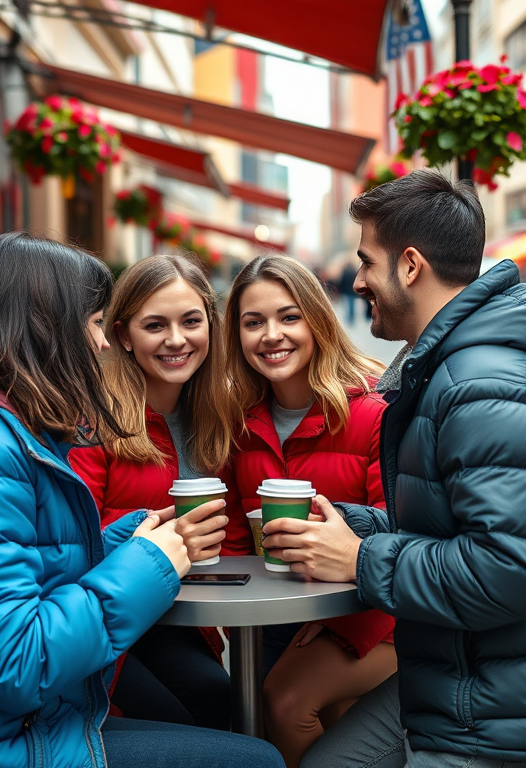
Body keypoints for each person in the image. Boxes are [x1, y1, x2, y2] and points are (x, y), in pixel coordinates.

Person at [0, 233, 284, 768]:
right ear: (45, 329)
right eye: (95, 323)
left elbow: (20, 569)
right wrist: (149, 564)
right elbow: (15, 665)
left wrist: (127, 536)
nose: (101, 344)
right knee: (255, 760)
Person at [263, 171, 526, 768]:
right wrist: (352, 526)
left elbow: (506, 572)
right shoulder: (459, 369)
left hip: (508, 704)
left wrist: (356, 558)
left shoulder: (483, 385)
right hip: (470, 668)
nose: (356, 282)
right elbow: (460, 530)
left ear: (410, 266)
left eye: (365, 262)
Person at [223, 254, 400, 768]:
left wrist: (344, 627)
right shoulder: (238, 422)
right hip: (275, 620)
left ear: (317, 322)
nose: (271, 335)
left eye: (288, 316)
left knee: (286, 702)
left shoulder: (372, 412)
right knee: (281, 713)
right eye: (253, 322)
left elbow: (398, 534)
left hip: (375, 620)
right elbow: (238, 539)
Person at [69, 253, 234, 730]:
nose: (176, 340)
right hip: (104, 618)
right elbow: (74, 539)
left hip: (176, 616)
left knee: (219, 698)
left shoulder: (218, 415)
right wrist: (161, 535)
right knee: (174, 717)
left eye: (190, 321)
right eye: (155, 325)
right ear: (123, 335)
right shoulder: (93, 418)